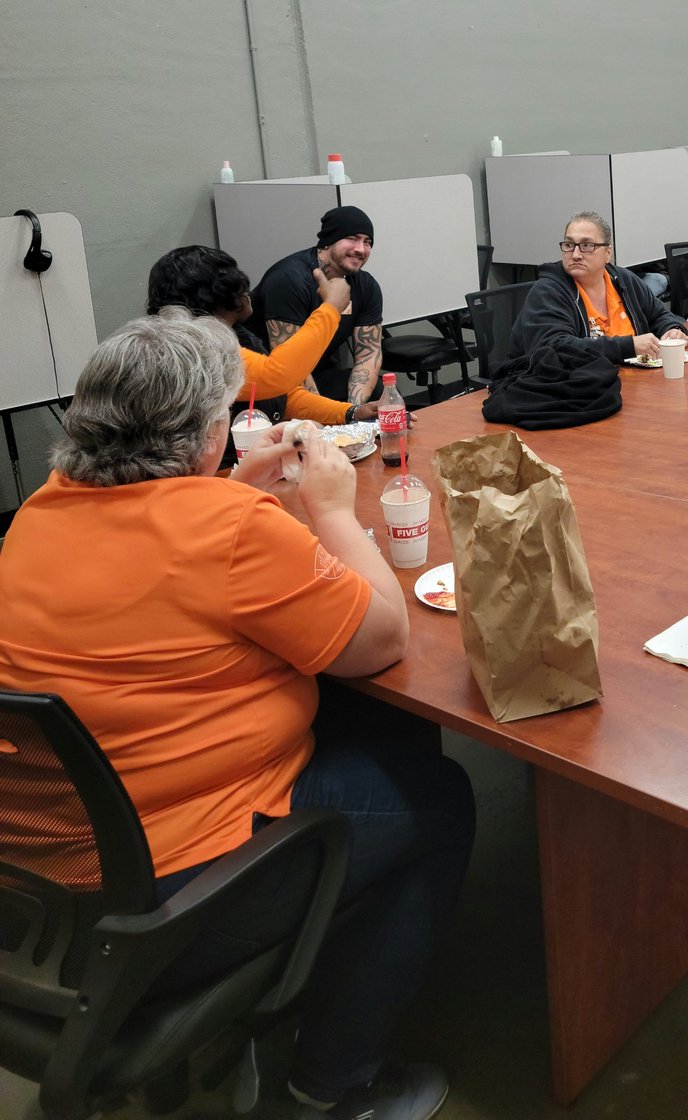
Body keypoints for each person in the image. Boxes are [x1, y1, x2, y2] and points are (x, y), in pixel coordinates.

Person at [0, 311, 474, 1120]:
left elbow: (151, 553)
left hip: (43, 889)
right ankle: (334, 1086)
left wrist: (217, 488)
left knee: (370, 728)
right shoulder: (228, 530)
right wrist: (330, 508)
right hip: (170, 902)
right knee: (439, 799)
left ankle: (308, 982)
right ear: (207, 429)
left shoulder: (38, 514)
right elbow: (382, 640)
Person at [147, 245, 379, 443]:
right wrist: (331, 307)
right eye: (235, 278)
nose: (247, 288)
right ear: (218, 292)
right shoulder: (193, 347)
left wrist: (351, 412)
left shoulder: (239, 336)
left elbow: (282, 395)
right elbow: (276, 375)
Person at [509, 211, 687, 363]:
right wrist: (629, 346)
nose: (576, 254)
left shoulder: (623, 279)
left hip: (627, 383)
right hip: (570, 390)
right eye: (569, 245)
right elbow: (555, 349)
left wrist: (672, 330)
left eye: (587, 245)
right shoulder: (548, 291)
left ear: (607, 253)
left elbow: (659, 316)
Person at [251, 204, 384, 404]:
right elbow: (290, 365)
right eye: (352, 239)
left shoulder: (365, 286)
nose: (361, 249)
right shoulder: (289, 280)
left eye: (367, 242)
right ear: (327, 242)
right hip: (265, 382)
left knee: (380, 392)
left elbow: (369, 354)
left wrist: (353, 411)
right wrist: (322, 421)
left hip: (316, 372)